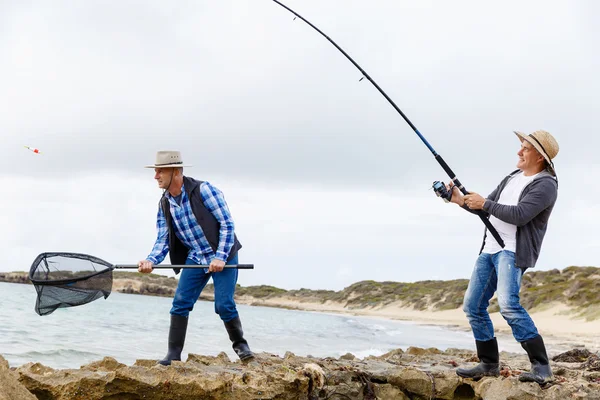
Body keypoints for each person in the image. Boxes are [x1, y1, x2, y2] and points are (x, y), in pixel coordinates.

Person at [446, 130, 559, 384]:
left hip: (512, 251)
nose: (519, 151)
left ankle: (541, 366)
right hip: (489, 249)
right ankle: (488, 363)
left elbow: (519, 214)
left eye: (526, 148)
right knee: (473, 306)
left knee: (508, 305)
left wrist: (484, 203)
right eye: (521, 146)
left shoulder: (546, 184)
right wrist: (458, 200)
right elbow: (486, 210)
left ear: (540, 157)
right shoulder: (512, 177)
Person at [138, 150, 254, 365]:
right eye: (155, 172)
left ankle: (241, 346)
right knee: (180, 303)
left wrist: (220, 257)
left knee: (224, 305)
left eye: (160, 171)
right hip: (196, 256)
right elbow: (163, 238)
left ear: (176, 171)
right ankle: (173, 355)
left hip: (223, 253)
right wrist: (151, 260)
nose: (155, 176)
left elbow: (227, 224)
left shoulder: (204, 190)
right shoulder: (164, 203)